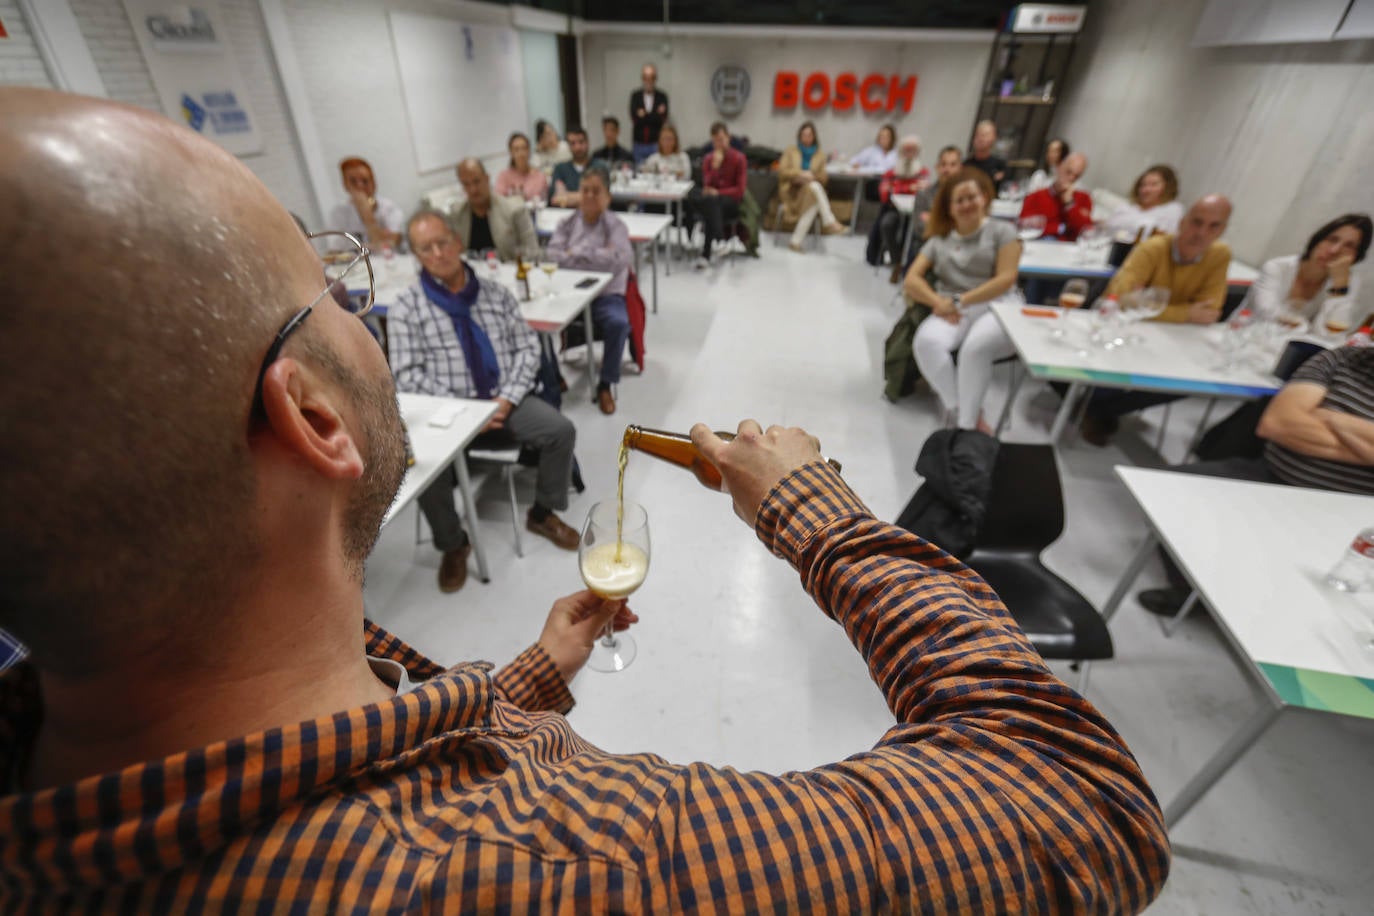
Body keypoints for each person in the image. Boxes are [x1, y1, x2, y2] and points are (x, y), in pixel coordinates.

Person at [0, 88, 1170, 913]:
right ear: (311, 420)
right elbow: (1080, 798)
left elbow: (335, 758)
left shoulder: (71, 769)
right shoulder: (582, 864)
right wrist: (811, 506)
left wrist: (522, 685)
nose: (372, 305)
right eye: (335, 291)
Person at [391, 210, 581, 588]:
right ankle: (453, 544)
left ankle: (543, 512)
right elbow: (406, 374)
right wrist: (470, 413)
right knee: (423, 468)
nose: (438, 253)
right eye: (425, 249)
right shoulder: (406, 308)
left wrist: (506, 400)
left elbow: (528, 348)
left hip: (503, 402)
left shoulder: (496, 294)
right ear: (417, 256)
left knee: (560, 430)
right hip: (450, 411)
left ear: (458, 241)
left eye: (443, 242)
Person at [1138, 344, 1374, 614]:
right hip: (1270, 475)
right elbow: (1277, 423)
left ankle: (1262, 598)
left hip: (1355, 507)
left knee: (1344, 566)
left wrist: (1331, 418)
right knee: (1166, 490)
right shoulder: (1341, 359)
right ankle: (1192, 590)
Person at [1079, 194, 1234, 446]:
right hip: (1128, 331)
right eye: (1197, 222)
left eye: (1213, 226)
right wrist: (1185, 312)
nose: (1202, 232)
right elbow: (1120, 298)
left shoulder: (1220, 255)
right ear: (1182, 222)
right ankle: (1093, 406)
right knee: (1115, 364)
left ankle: (1101, 409)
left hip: (1175, 337)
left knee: (1190, 382)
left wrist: (1150, 302)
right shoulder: (1153, 248)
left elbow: (1211, 309)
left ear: (1223, 230)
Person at [907, 168, 1024, 432]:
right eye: (959, 200)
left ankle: (967, 428)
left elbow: (1006, 279)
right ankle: (960, 408)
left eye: (972, 197)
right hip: (954, 307)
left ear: (984, 197)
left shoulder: (1003, 231)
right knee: (927, 342)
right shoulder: (939, 240)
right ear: (949, 208)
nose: (966, 204)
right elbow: (912, 280)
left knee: (976, 348)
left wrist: (960, 300)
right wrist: (938, 302)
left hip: (998, 304)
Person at [546, 166, 633, 415]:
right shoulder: (566, 223)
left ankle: (605, 383)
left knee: (618, 323)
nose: (590, 196)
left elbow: (619, 259)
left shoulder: (616, 226)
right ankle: (554, 378)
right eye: (585, 190)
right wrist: (597, 254)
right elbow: (554, 256)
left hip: (606, 295)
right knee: (538, 327)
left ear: (607, 196)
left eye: (597, 191)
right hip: (569, 293)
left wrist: (578, 252)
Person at [1240, 214, 1370, 333]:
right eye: (1332, 239)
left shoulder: (1346, 282)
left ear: (1356, 256)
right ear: (1317, 240)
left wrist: (1339, 287)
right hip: (1245, 337)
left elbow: (1332, 335)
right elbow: (1267, 314)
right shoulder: (1278, 267)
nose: (1334, 250)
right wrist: (1308, 328)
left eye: (1349, 246)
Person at [450, 158, 539, 264]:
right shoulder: (457, 214)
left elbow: (533, 252)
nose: (473, 189)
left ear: (487, 179)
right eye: (466, 184)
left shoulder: (515, 209)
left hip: (509, 274)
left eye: (476, 181)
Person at [687, 121, 748, 270]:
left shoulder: (739, 158)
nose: (718, 144)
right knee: (697, 196)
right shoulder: (709, 158)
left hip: (730, 202)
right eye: (715, 141)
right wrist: (715, 167)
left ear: (728, 137)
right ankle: (719, 241)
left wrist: (718, 192)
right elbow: (707, 184)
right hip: (712, 202)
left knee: (711, 202)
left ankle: (706, 254)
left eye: (721, 139)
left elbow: (739, 190)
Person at [779, 120, 846, 252]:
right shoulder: (791, 151)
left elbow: (824, 178)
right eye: (804, 134)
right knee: (815, 192)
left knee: (814, 191)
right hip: (793, 190)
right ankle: (829, 221)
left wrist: (812, 176)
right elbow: (782, 171)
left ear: (814, 136)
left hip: (809, 191)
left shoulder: (820, 154)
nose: (806, 137)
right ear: (799, 136)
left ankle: (795, 242)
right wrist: (800, 174)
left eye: (809, 135)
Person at [871, 135, 930, 281]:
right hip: (895, 210)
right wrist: (908, 187)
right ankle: (897, 259)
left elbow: (924, 192)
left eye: (913, 150)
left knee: (919, 230)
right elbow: (884, 193)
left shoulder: (923, 173)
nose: (909, 154)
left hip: (915, 212)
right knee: (887, 224)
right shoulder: (891, 172)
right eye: (906, 150)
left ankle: (911, 264)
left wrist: (899, 188)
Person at [329, 156, 404, 251]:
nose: (360, 186)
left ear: (373, 183)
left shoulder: (389, 208)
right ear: (345, 185)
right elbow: (336, 250)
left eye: (365, 181)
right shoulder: (339, 213)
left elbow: (389, 246)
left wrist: (367, 216)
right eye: (353, 182)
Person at [1018, 152, 1092, 241]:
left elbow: (1084, 231)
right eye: (1068, 172)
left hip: (1069, 249)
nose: (1071, 178)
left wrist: (1070, 204)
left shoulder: (1084, 198)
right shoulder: (1035, 197)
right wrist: (1061, 228)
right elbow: (1024, 227)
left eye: (1076, 176)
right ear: (1059, 167)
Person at [1102, 165, 1185, 240]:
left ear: (1168, 187)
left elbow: (1163, 238)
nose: (1146, 190)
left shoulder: (1173, 210)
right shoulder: (1128, 207)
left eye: (1154, 185)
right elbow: (1108, 227)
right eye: (1143, 185)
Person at [628, 63, 669, 166]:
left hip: (656, 143)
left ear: (655, 79)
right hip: (639, 143)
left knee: (657, 171)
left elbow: (662, 119)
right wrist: (654, 114)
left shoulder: (662, 96)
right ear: (642, 78)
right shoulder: (635, 96)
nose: (649, 81)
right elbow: (635, 119)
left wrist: (644, 115)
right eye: (646, 77)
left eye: (652, 77)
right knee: (639, 171)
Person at [494, 131, 550, 204]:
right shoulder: (504, 176)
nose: (521, 153)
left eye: (524, 148)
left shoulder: (539, 176)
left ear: (529, 151)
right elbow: (498, 201)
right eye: (516, 149)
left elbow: (544, 200)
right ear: (511, 153)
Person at [550, 125, 593, 207]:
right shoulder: (560, 168)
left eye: (581, 142)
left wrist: (566, 196)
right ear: (568, 146)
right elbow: (555, 199)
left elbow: (601, 198)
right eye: (573, 143)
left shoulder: (599, 167)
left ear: (587, 143)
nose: (577, 147)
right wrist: (587, 196)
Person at [964, 120, 1007, 190]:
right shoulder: (966, 165)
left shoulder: (1000, 166)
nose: (981, 139)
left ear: (994, 138)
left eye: (985, 135)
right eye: (978, 134)